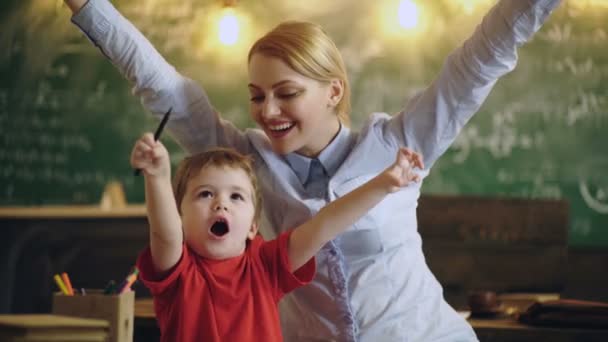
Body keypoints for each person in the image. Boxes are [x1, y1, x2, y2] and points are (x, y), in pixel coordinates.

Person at [64, 0, 562, 340]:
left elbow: (479, 63)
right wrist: (90, 7)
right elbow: (165, 89)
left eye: (288, 93)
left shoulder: (398, 145)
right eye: (257, 96)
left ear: (334, 91)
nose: (268, 111)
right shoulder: (246, 168)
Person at [130, 131, 423, 341]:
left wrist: (385, 183)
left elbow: (323, 226)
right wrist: (157, 176)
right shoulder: (178, 271)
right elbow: (164, 234)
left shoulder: (265, 266)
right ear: (180, 217)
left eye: (236, 196)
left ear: (252, 228)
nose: (221, 203)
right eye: (205, 194)